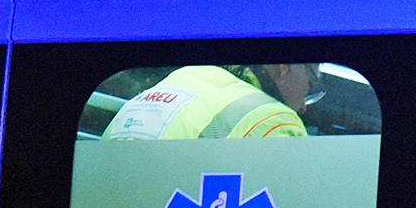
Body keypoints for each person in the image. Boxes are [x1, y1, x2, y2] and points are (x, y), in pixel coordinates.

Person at [103, 64, 314, 140]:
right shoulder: (273, 120)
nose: (304, 106)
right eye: (313, 80)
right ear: (283, 67)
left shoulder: (180, 78)